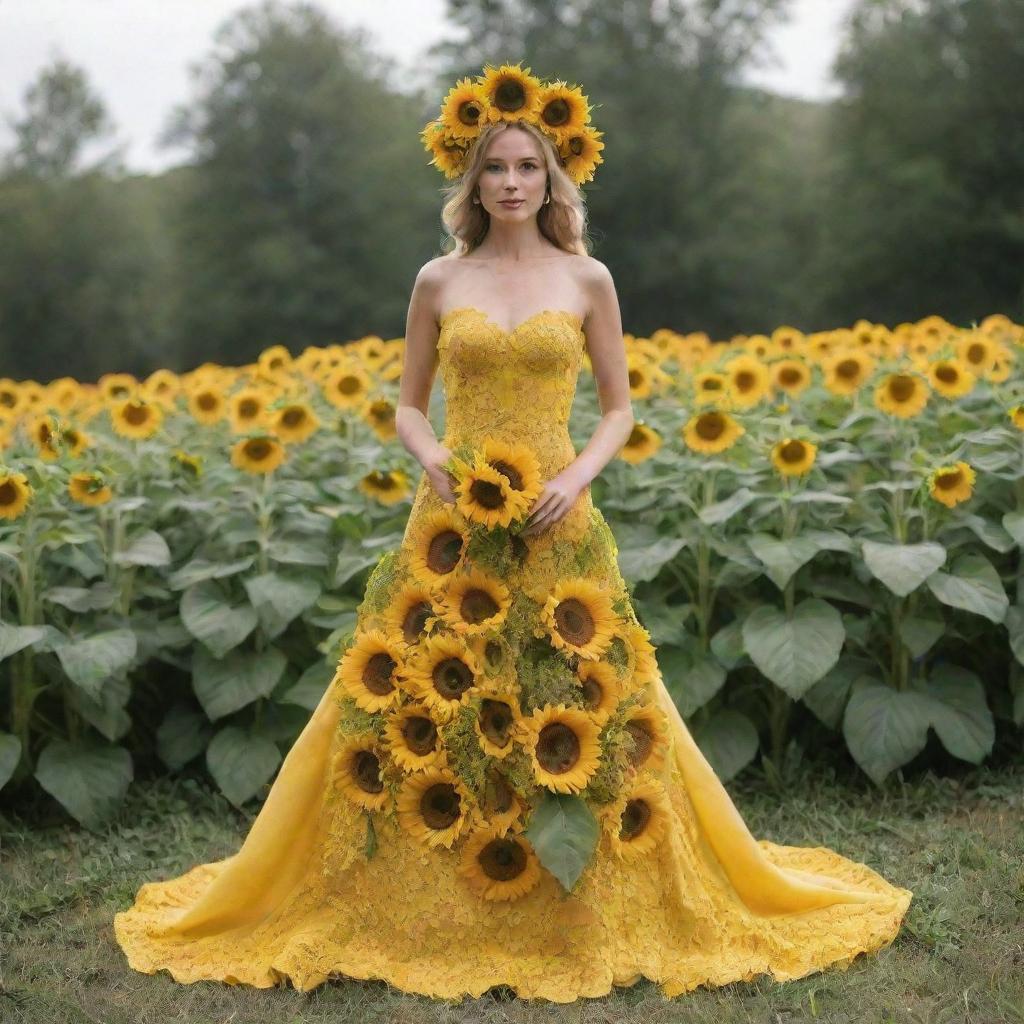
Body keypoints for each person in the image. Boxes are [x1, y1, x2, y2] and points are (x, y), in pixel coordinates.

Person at [113, 62, 913, 1002]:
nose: (510, 182)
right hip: (450, 526)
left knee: (581, 699)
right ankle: (410, 894)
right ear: (471, 179)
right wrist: (435, 462)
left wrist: (576, 476)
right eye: (495, 166)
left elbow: (617, 408)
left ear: (552, 177)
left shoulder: (588, 278)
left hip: (556, 518)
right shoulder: (438, 278)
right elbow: (408, 405)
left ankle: (578, 895)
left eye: (527, 166)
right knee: (418, 700)